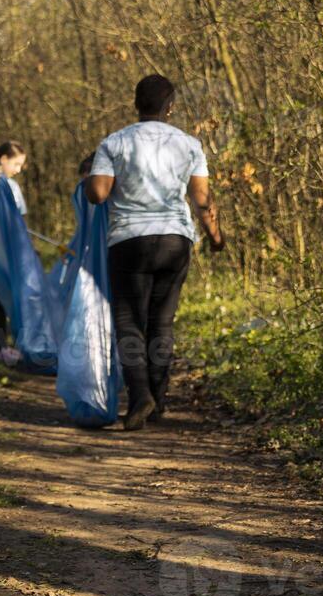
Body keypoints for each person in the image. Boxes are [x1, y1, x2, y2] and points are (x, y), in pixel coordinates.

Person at [85, 74, 225, 431]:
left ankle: (140, 396)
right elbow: (201, 199)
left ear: (135, 104)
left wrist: (91, 177)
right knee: (161, 321)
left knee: (129, 321)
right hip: (175, 240)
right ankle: (158, 399)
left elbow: (98, 194)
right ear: (170, 106)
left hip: (129, 240)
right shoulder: (189, 145)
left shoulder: (115, 143)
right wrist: (216, 236)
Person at [0, 141, 28, 366]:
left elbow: (20, 218)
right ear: (3, 159)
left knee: (7, 297)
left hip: (11, 249)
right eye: (16, 163)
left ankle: (5, 345)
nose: (18, 169)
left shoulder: (12, 186)